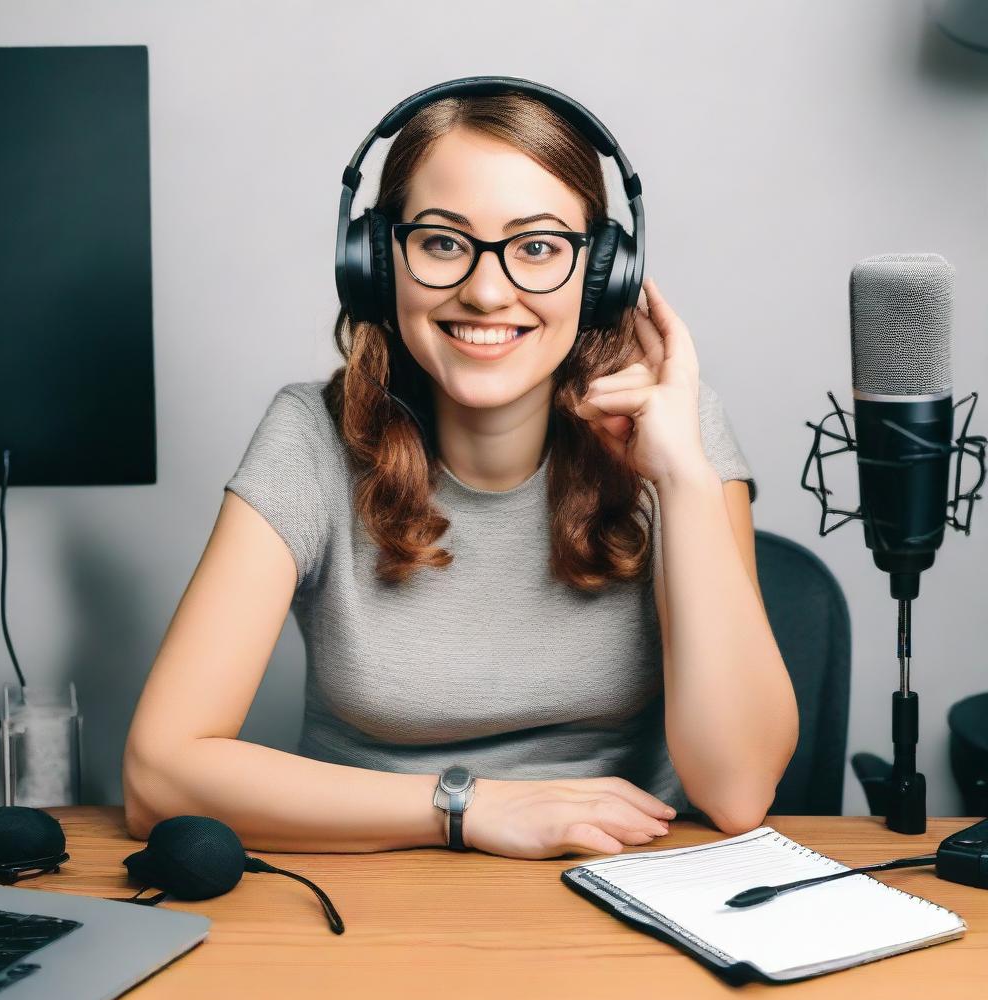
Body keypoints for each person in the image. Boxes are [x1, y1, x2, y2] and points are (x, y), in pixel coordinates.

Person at [123, 88, 798, 861]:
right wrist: (469, 807)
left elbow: (738, 790)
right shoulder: (310, 436)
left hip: (628, 894)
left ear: (602, 273)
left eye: (538, 248)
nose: (485, 290)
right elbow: (157, 775)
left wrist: (678, 477)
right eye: (443, 243)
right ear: (377, 263)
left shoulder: (677, 429)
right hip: (371, 900)